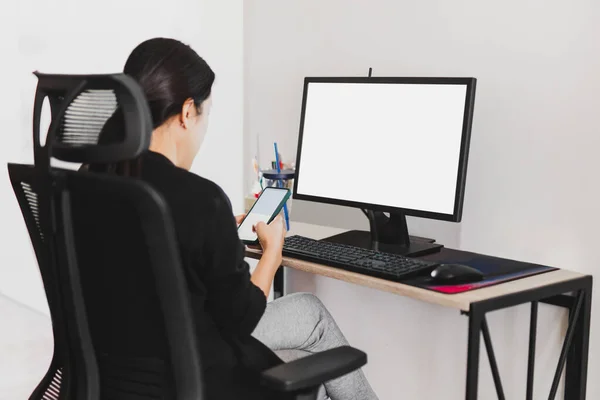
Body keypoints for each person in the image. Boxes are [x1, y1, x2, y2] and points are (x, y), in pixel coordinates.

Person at [90, 37, 378, 400]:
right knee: (310, 340)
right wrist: (272, 252)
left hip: (118, 375)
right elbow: (241, 319)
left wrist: (220, 233)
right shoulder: (198, 198)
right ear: (187, 112)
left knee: (307, 342)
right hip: (194, 378)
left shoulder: (91, 180)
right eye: (205, 115)